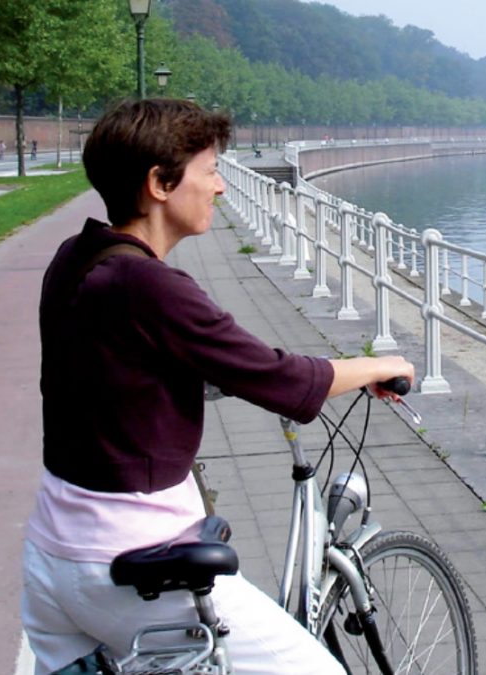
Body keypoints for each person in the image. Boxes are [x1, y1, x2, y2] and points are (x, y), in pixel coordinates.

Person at [21, 99, 414, 674]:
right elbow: (282, 378)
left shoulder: (78, 258)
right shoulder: (150, 285)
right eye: (209, 172)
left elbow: (112, 364)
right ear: (159, 182)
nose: (221, 188)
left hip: (53, 555)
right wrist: (372, 365)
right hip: (125, 564)